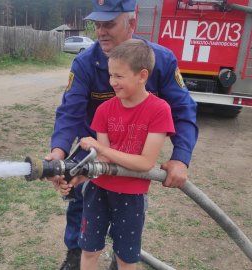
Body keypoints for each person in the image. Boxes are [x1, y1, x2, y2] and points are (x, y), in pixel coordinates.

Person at [45, 0, 199, 269]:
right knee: (80, 201)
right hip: (94, 143)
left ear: (131, 23)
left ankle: (122, 258)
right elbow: (69, 113)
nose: (101, 31)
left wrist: (180, 158)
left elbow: (183, 110)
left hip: (133, 152)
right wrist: (57, 154)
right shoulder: (84, 63)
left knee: (127, 210)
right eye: (98, 24)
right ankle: (75, 255)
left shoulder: (159, 59)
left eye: (110, 24)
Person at [58, 38, 175, 270]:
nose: (112, 82)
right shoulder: (104, 110)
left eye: (119, 76)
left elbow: (145, 163)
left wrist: (102, 148)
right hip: (97, 192)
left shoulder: (160, 111)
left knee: (126, 259)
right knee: (89, 251)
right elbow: (103, 162)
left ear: (142, 75)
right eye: (110, 75)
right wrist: (77, 178)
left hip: (131, 198)